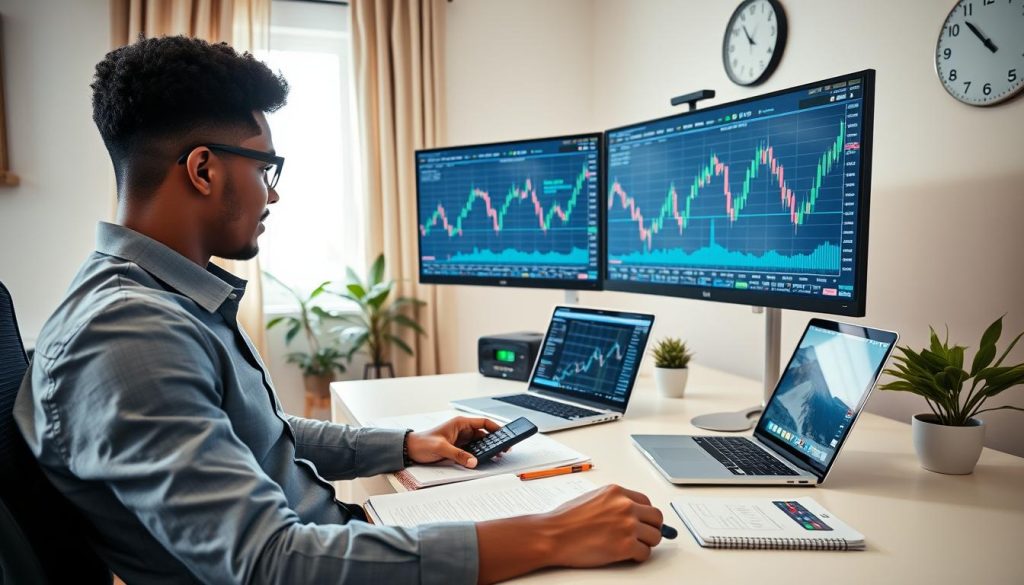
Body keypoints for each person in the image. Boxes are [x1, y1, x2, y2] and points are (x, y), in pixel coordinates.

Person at [14, 36, 663, 584]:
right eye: (265, 168)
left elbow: (254, 434)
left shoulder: (160, 301)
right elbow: (272, 563)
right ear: (204, 170)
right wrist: (550, 535)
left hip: (329, 535)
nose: (272, 195)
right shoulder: (127, 334)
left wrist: (407, 444)